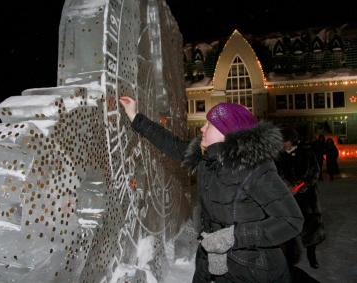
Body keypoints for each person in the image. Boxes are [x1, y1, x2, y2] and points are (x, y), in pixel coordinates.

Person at [119, 96, 304, 282]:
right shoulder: (205, 158)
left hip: (254, 271)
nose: (202, 129)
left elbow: (291, 221)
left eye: (209, 125)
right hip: (213, 261)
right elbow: (171, 143)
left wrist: (233, 237)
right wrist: (135, 116)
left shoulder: (255, 168)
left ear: (227, 133)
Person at [275, 127, 325, 270]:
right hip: (288, 198)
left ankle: (312, 256)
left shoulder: (307, 152)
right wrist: (287, 186)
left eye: (286, 141)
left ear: (292, 140)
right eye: (282, 142)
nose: (284, 144)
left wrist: (301, 185)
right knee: (288, 228)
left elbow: (315, 171)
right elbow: (277, 174)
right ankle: (290, 258)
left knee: (311, 228)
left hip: (307, 197)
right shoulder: (278, 156)